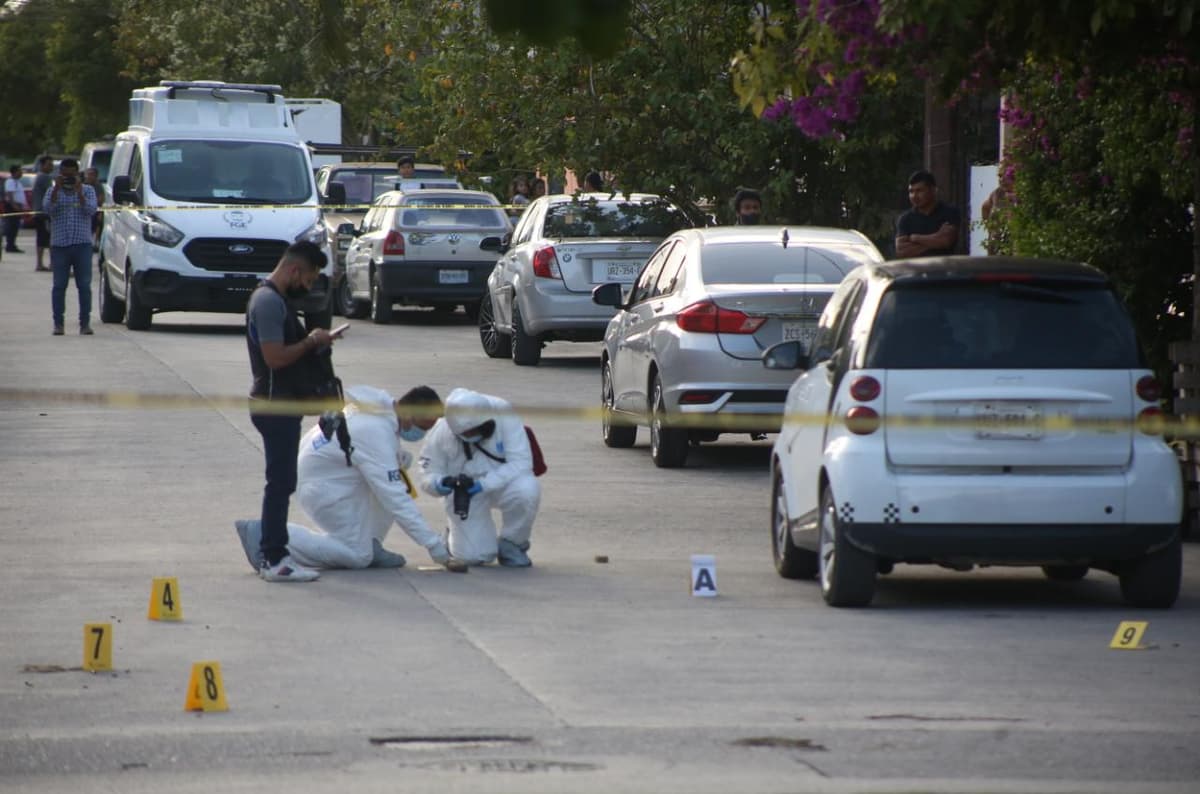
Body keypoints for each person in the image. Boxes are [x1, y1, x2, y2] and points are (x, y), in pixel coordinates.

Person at [234, 385, 469, 572]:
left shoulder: (381, 412)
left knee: (396, 472)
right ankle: (267, 534)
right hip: (322, 489)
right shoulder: (375, 430)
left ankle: (372, 542)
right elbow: (396, 498)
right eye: (421, 426)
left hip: (334, 478)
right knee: (357, 555)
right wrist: (435, 547)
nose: (421, 434)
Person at [243, 240, 338, 582]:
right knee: (280, 482)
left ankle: (274, 552)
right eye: (309, 279)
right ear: (295, 270)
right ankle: (273, 558)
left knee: (283, 481)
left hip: (281, 403)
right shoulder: (268, 302)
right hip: (273, 405)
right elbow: (275, 358)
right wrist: (311, 341)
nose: (308, 287)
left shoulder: (276, 300)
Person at [418, 387, 541, 567]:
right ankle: (452, 535)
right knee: (474, 557)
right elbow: (427, 473)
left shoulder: (503, 413)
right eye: (467, 433)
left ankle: (513, 543)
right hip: (465, 495)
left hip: (502, 483)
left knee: (527, 489)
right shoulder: (441, 431)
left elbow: (521, 462)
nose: (474, 435)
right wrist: (439, 483)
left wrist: (484, 484)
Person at [43, 158, 97, 336]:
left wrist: (79, 192)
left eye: (71, 175)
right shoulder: (53, 190)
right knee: (59, 286)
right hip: (60, 246)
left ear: (77, 173)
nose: (68, 178)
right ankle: (58, 324)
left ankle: (85, 324)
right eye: (65, 175)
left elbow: (91, 210)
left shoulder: (88, 190)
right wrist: (57, 189)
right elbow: (47, 209)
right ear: (60, 174)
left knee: (84, 286)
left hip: (82, 245)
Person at [894, 170, 960, 257]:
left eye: (919, 190)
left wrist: (915, 238)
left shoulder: (949, 212)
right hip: (915, 269)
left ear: (933, 190)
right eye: (911, 191)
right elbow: (901, 250)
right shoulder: (905, 219)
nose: (914, 196)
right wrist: (936, 238)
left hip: (943, 267)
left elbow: (945, 241)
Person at [31, 156, 54, 271]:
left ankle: (42, 263)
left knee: (43, 238)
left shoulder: (40, 177)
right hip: (43, 213)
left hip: (39, 212)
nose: (51, 166)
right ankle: (47, 264)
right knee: (48, 238)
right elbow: (52, 194)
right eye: (49, 164)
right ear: (42, 165)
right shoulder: (44, 177)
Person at [4, 164, 28, 253]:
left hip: (18, 206)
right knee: (11, 226)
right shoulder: (10, 181)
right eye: (19, 171)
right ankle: (10, 245)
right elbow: (10, 196)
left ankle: (12, 244)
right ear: (14, 172)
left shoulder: (17, 182)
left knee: (15, 227)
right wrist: (15, 207)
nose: (21, 173)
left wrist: (24, 206)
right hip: (12, 207)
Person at [83, 167, 106, 251]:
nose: (89, 177)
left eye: (92, 175)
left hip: (95, 210)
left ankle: (95, 242)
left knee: (98, 222)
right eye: (88, 174)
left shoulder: (98, 186)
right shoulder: (83, 185)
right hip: (84, 210)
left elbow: (101, 199)